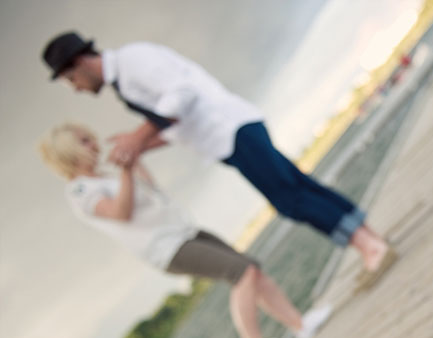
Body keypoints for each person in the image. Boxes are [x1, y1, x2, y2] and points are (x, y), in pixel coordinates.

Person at [41, 31, 397, 286]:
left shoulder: (133, 62)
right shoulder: (125, 80)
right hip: (229, 137)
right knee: (298, 187)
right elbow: (175, 122)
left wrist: (138, 136)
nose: (75, 88)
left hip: (231, 131)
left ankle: (370, 247)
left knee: (290, 199)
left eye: (71, 80)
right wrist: (142, 145)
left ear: (78, 64)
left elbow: (182, 95)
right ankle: (370, 239)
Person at [39, 122, 332, 338]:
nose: (93, 143)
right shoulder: (80, 191)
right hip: (166, 248)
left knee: (253, 271)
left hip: (183, 231)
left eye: (89, 138)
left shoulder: (106, 177)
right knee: (241, 273)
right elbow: (120, 212)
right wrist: (126, 172)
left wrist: (135, 160)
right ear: (69, 151)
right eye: (84, 141)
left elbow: (150, 191)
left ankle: (300, 325)